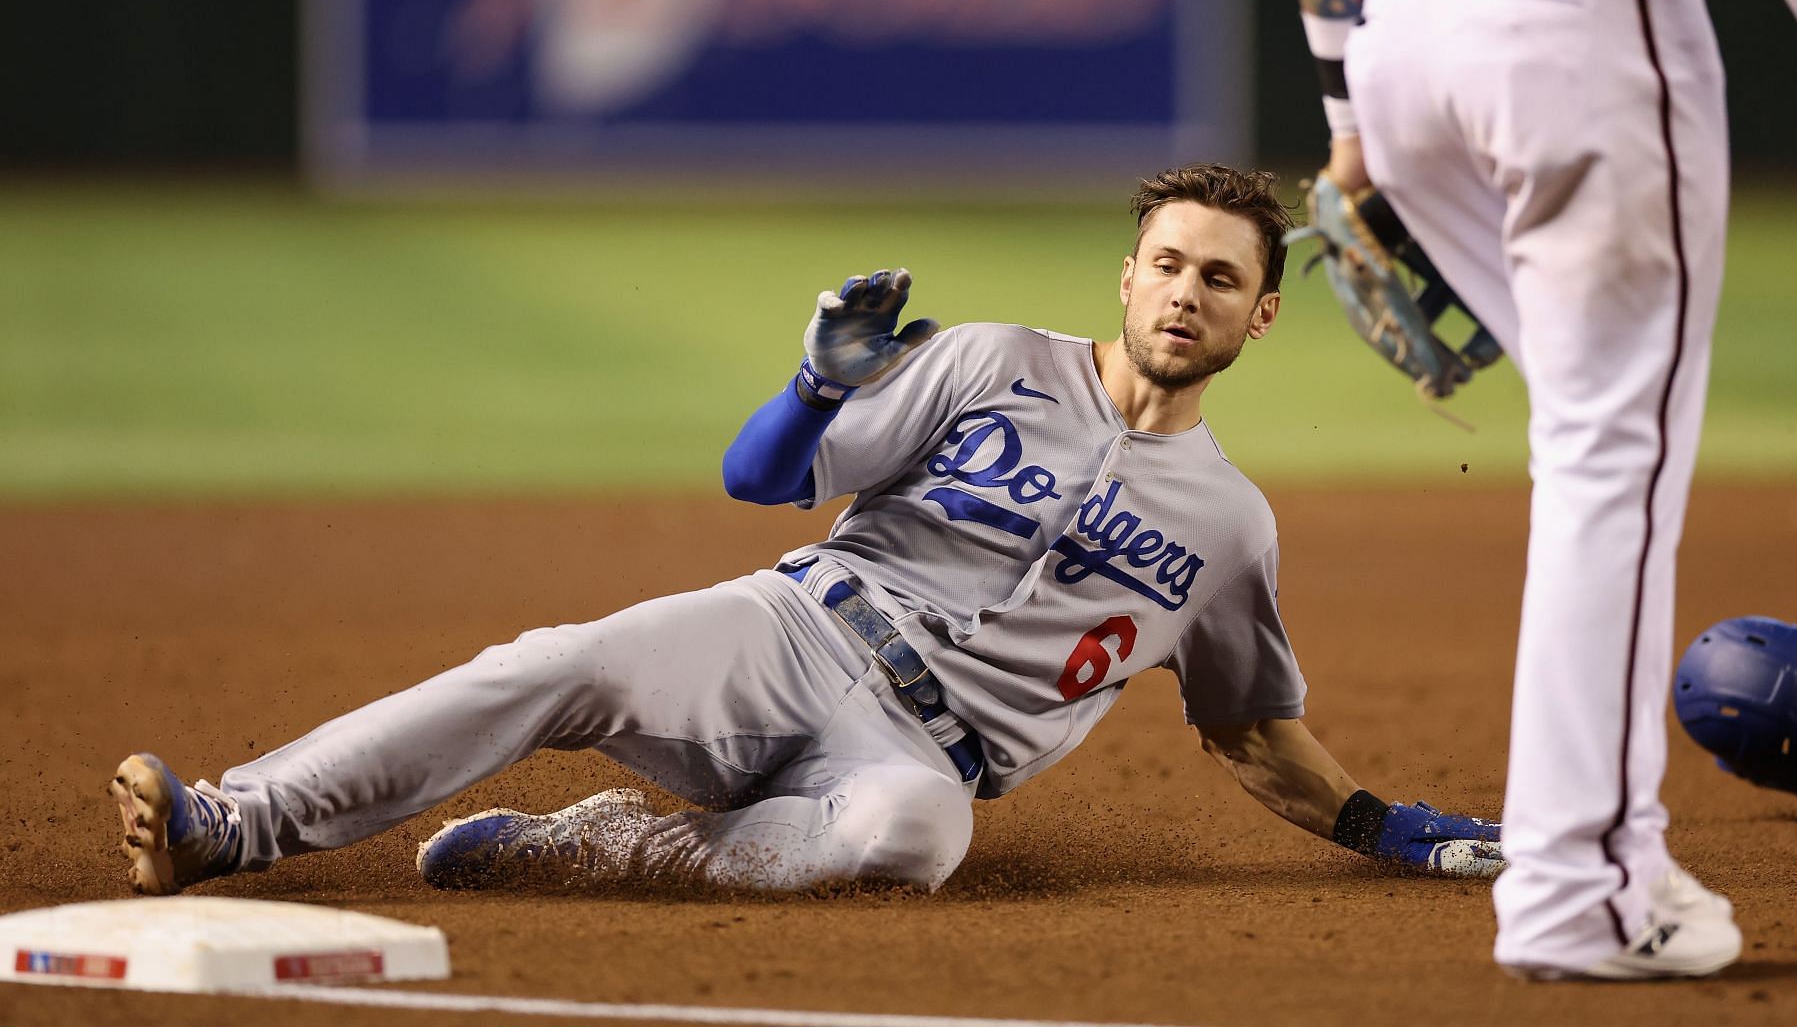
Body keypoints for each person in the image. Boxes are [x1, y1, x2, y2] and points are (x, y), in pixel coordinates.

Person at [110, 165, 1503, 898]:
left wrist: (1386, 828)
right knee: (555, 661)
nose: (1185, 293)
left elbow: (1252, 732)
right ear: (1127, 274)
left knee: (914, 839)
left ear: (1264, 311)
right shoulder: (989, 362)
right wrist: (816, 385)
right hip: (793, 630)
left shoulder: (1231, 527)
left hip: (921, 757)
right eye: (1167, 264)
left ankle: (600, 848)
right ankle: (233, 821)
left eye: (1220, 278)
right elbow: (757, 478)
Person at [1286, 0, 1797, 982]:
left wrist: (1347, 120)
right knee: (1609, 463)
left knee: (1586, 450)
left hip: (1403, 34)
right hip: (1590, 19)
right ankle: (1576, 887)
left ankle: (1613, 846)